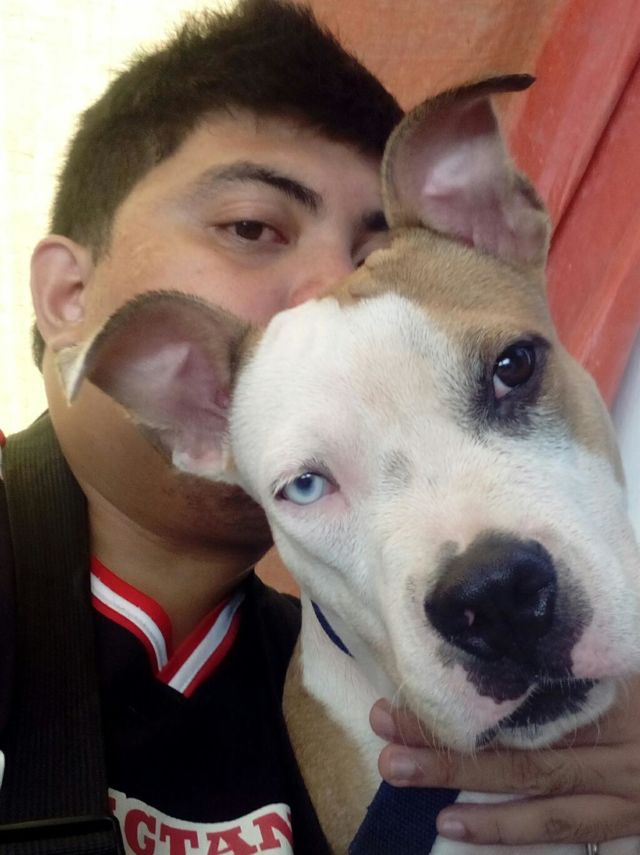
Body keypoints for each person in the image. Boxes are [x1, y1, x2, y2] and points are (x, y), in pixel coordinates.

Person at [0, 0, 639, 851]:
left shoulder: (312, 662)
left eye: (375, 255)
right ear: (70, 297)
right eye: (253, 227)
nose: (326, 296)